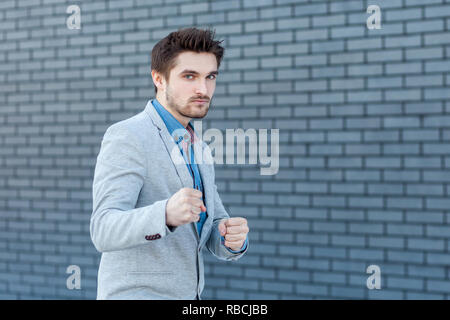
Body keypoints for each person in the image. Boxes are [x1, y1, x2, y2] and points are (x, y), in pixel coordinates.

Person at [90, 27, 249, 300]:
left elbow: (210, 226)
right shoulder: (128, 135)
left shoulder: (198, 145)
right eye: (189, 76)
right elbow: (103, 229)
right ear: (159, 79)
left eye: (210, 77)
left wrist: (230, 238)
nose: (203, 89)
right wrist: (164, 214)